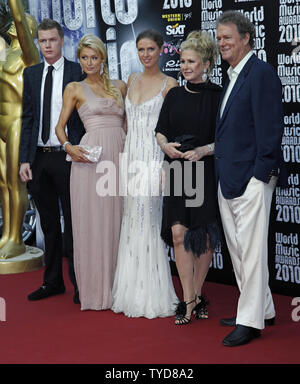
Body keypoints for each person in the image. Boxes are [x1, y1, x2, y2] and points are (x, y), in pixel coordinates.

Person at [215, 11, 286, 346]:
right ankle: (261, 308)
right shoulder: (233, 76)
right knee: (240, 252)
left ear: (246, 38)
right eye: (218, 38)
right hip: (228, 178)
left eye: (227, 37)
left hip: (251, 180)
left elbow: (270, 132)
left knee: (253, 252)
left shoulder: (261, 74)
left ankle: (250, 321)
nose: (221, 43)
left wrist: (260, 177)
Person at [155, 31, 222, 325]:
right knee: (179, 233)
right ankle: (189, 298)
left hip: (205, 170)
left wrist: (204, 150)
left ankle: (196, 294)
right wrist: (164, 145)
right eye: (182, 61)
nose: (184, 66)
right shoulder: (174, 95)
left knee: (204, 238)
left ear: (206, 63)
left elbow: (230, 138)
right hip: (177, 169)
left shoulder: (219, 95)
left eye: (191, 61)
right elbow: (160, 130)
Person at [55, 34, 127, 311]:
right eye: (84, 57)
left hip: (119, 157)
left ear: (103, 58)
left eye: (93, 57)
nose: (89, 62)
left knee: (120, 219)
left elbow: (128, 126)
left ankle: (121, 287)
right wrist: (68, 147)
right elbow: (59, 127)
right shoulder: (74, 87)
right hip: (90, 160)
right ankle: (97, 291)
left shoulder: (120, 86)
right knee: (93, 224)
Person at [111, 29, 178, 318]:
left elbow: (172, 127)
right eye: (141, 50)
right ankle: (129, 290)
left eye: (151, 49)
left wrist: (165, 166)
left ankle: (152, 292)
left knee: (149, 221)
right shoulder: (131, 80)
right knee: (131, 220)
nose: (146, 54)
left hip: (153, 160)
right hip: (131, 159)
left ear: (161, 50)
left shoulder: (170, 84)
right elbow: (126, 122)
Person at [19, 19, 85, 303]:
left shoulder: (77, 71)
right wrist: (25, 160)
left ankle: (81, 285)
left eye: (52, 40)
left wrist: (81, 149)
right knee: (48, 223)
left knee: (74, 223)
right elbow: (28, 118)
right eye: (43, 41)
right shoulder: (31, 74)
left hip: (68, 157)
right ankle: (52, 281)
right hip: (39, 159)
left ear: (62, 41)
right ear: (38, 43)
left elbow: (84, 116)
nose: (47, 45)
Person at [0, 0, 40, 259]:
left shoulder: (30, 55)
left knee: (16, 184)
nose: (16, 23)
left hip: (17, 123)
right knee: (3, 183)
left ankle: (16, 237)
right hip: (1, 124)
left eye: (22, 22)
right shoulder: (5, 54)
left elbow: (18, 19)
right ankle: (7, 234)